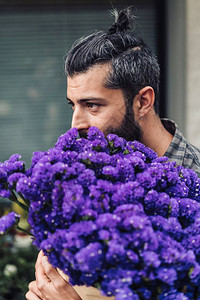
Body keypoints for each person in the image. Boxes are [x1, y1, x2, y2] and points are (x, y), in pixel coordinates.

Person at [26, 7, 200, 300]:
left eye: (92, 105)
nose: (76, 124)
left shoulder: (194, 182)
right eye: (73, 105)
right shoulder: (88, 172)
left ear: (143, 101)